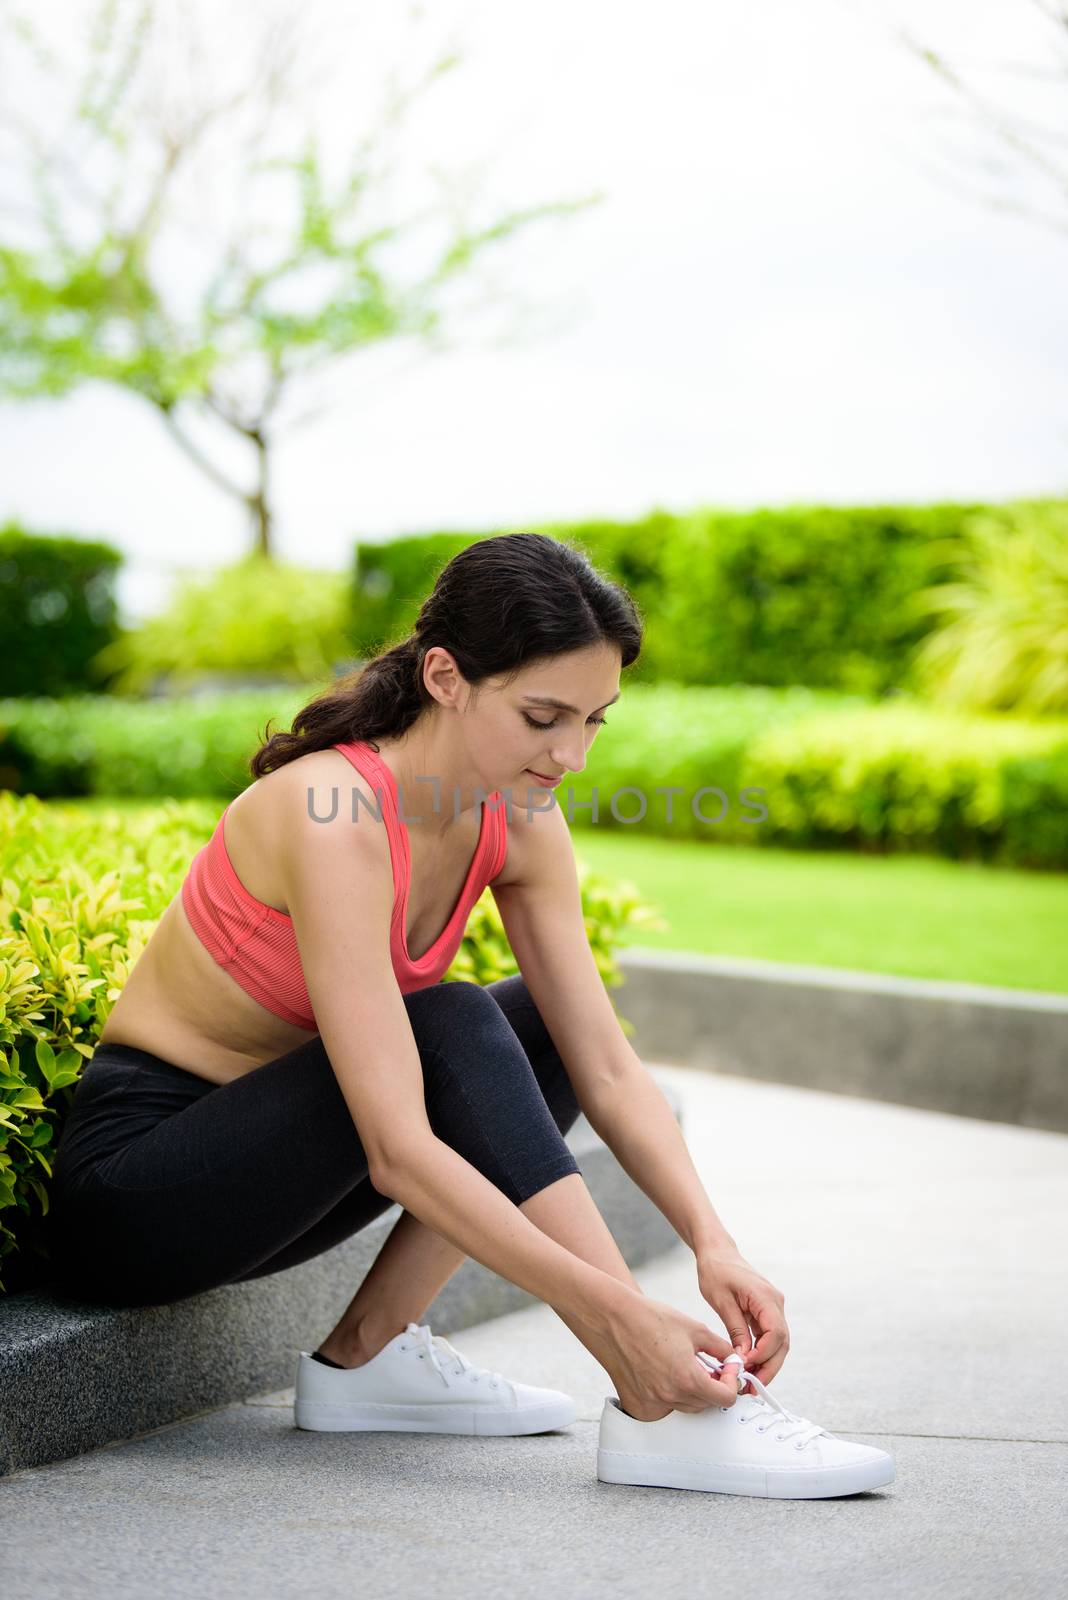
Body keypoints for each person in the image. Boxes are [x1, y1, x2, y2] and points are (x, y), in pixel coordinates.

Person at [47, 531, 893, 1497]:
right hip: (142, 1192)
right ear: (445, 676)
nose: (570, 754)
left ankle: (366, 1360)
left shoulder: (518, 812)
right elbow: (397, 1150)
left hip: (285, 1176)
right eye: (543, 717)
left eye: (594, 721)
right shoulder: (331, 811)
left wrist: (713, 1240)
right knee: (449, 1022)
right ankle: (658, 1402)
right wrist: (623, 1317)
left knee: (546, 1028)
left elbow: (607, 1068)